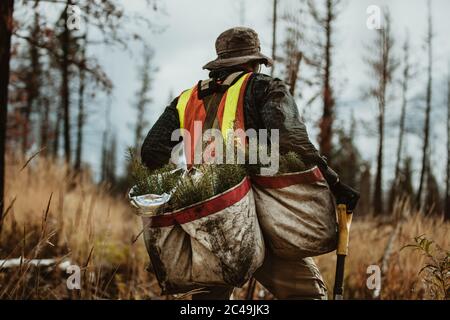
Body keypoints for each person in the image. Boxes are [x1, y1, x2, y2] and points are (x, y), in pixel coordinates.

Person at [141, 27, 352, 300]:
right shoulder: (263, 87)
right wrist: (333, 181)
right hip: (257, 219)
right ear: (254, 62)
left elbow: (151, 153)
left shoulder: (185, 100)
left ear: (219, 63)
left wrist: (186, 186)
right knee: (307, 295)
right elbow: (293, 143)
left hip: (206, 221)